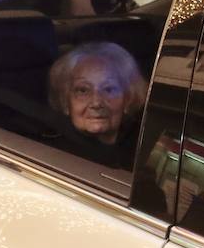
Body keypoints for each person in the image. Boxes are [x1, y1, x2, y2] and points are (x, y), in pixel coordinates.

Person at [47, 42, 147, 170]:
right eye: (83, 90)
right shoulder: (55, 157)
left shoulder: (145, 146)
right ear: (66, 102)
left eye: (109, 89)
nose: (96, 103)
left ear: (128, 99)